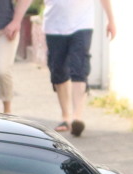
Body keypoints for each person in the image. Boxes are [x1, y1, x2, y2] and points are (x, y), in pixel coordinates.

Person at [44, 0, 116, 136]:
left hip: (82, 25)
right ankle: (66, 117)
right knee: (58, 70)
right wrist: (17, 20)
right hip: (53, 26)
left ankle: (77, 118)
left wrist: (111, 20)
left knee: (80, 67)